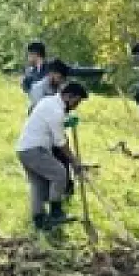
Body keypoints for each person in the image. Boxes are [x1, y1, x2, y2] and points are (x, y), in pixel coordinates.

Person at [16, 81, 89, 230]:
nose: (77, 105)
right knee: (60, 173)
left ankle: (40, 220)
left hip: (24, 149)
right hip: (35, 150)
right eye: (77, 101)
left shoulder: (49, 102)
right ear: (68, 96)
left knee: (39, 185)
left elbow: (52, 126)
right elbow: (60, 142)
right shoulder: (56, 111)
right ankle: (56, 213)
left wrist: (65, 122)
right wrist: (74, 161)